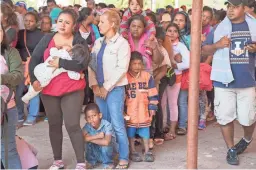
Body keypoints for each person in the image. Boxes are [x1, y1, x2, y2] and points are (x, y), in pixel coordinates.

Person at [29, 9, 90, 170]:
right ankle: (57, 161)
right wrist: (34, 81)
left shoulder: (78, 40)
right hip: (49, 89)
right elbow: (34, 60)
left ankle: (81, 162)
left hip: (72, 89)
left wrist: (61, 63)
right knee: (54, 124)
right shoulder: (47, 38)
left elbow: (83, 64)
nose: (63, 25)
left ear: (74, 25)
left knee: (72, 125)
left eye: (67, 22)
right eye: (60, 21)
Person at [202, 0, 256, 165]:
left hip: (247, 81)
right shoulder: (219, 28)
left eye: (235, 6)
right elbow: (205, 49)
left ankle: (246, 139)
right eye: (229, 7)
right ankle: (231, 149)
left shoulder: (253, 26)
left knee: (248, 118)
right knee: (225, 117)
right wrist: (217, 45)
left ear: (244, 8)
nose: (231, 10)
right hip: (223, 82)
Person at [88, 9, 130, 169]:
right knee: (102, 124)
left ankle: (123, 157)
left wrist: (105, 87)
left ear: (112, 24)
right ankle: (107, 158)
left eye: (102, 22)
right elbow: (91, 65)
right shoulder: (98, 43)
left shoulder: (122, 43)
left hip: (114, 89)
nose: (98, 24)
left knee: (117, 123)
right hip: (98, 89)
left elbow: (121, 69)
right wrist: (94, 86)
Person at [22, 44, 88, 104]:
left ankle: (29, 89)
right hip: (44, 78)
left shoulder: (61, 52)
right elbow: (72, 75)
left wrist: (56, 48)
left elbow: (52, 51)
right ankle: (26, 98)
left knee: (33, 84)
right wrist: (80, 76)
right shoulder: (68, 65)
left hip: (38, 68)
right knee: (35, 90)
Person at [125, 51, 158, 162]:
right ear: (129, 64)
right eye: (134, 63)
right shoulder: (125, 77)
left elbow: (153, 93)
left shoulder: (147, 76)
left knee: (145, 132)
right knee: (131, 133)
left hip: (144, 111)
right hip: (130, 111)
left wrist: (152, 108)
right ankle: (133, 151)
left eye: (139, 64)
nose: (137, 66)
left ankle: (147, 150)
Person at [15, 12, 44, 125]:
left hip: (34, 66)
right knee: (17, 92)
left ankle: (32, 116)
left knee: (33, 91)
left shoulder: (41, 35)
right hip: (21, 66)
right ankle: (20, 115)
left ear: (36, 22)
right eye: (26, 20)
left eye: (31, 21)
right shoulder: (20, 34)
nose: (28, 23)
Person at [162, 23, 190, 140]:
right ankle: (163, 126)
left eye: (174, 31)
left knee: (173, 103)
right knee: (162, 103)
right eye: (169, 31)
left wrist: (175, 65)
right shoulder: (162, 44)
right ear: (165, 32)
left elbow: (188, 63)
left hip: (175, 78)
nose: (172, 33)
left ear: (178, 34)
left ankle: (173, 129)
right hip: (162, 77)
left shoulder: (181, 46)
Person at [1, 24, 23, 169]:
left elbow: (18, 76)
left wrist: (1, 79)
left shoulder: (10, 52)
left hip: (6, 108)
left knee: (7, 149)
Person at [172, 11, 191, 135]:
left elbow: (192, 56)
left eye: (181, 20)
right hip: (173, 73)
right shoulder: (169, 34)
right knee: (172, 101)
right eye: (176, 20)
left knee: (182, 100)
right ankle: (172, 123)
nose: (178, 22)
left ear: (186, 22)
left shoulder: (189, 37)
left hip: (186, 71)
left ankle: (183, 125)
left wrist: (178, 62)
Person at [83, 103, 115, 169]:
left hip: (107, 154)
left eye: (94, 115)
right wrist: (97, 136)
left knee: (106, 145)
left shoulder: (107, 125)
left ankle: (108, 163)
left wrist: (89, 138)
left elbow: (106, 142)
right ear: (85, 119)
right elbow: (81, 138)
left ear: (100, 115)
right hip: (95, 153)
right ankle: (91, 162)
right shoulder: (87, 126)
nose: (91, 119)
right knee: (87, 143)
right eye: (89, 117)